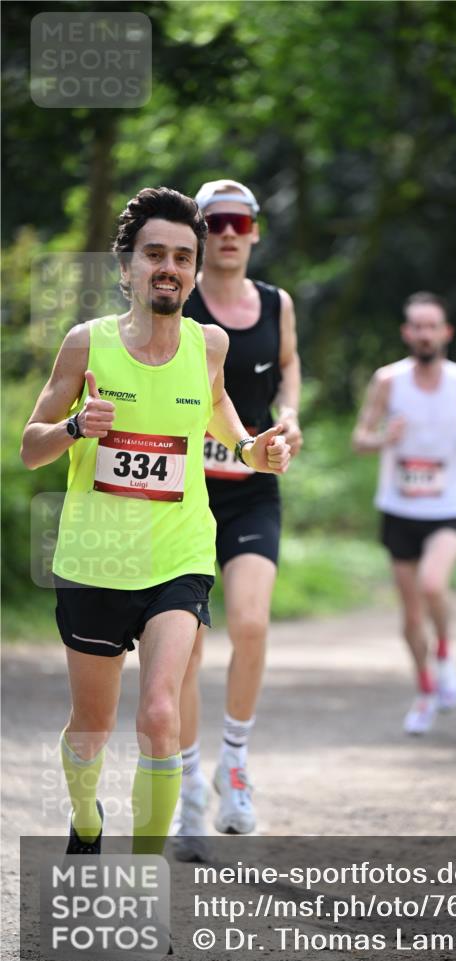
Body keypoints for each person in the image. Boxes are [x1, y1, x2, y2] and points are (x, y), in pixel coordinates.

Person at [20, 187, 290, 855]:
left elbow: (225, 420)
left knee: (161, 713)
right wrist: (76, 426)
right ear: (127, 267)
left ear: (196, 271)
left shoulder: (210, 347)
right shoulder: (86, 345)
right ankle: (86, 818)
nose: (168, 267)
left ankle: (144, 879)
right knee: (92, 723)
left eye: (182, 257)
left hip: (179, 555)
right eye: (154, 255)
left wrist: (256, 450)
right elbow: (30, 447)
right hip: (96, 559)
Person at [171, 179, 302, 858]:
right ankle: (189, 789)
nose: (226, 232)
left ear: (253, 232)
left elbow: (286, 368)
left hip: (250, 489)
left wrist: (291, 421)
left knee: (250, 623)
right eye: (213, 221)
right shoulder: (177, 300)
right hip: (183, 491)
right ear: (200, 231)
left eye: (238, 221)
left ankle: (234, 762)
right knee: (186, 648)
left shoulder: (276, 304)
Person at [352, 292, 456, 735]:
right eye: (417, 326)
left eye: (433, 326)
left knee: (434, 583)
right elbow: (360, 439)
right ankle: (426, 691)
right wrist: (383, 439)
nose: (425, 333)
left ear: (445, 332)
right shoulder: (389, 381)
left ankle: (445, 653)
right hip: (399, 507)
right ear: (407, 333)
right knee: (410, 617)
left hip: (448, 506)